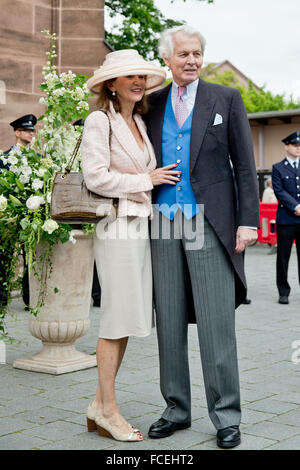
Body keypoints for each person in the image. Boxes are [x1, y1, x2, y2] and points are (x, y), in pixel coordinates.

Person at [145, 25, 259, 449]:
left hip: (209, 223)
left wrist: (248, 221)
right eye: (183, 54)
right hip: (162, 220)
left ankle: (227, 415)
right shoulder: (151, 103)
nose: (191, 60)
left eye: (197, 53)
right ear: (168, 60)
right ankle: (176, 407)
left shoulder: (225, 99)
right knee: (169, 320)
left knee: (216, 323)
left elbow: (245, 166)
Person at [81, 50, 179, 442]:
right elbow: (95, 177)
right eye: (129, 77)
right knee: (115, 320)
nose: (138, 82)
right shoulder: (98, 120)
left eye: (141, 76)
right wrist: (146, 180)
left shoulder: (139, 120)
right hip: (115, 229)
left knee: (126, 320)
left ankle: (97, 404)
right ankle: (108, 410)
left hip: (140, 229)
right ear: (111, 84)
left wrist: (148, 180)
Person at [0, 114, 37, 309]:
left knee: (30, 257)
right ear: (17, 132)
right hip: (8, 215)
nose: (31, 133)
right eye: (27, 130)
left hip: (29, 214)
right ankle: (1, 298)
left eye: (33, 131)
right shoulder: (4, 158)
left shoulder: (38, 158)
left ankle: (29, 299)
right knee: (4, 256)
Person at [73, 118, 102, 308]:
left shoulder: (97, 150)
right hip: (75, 208)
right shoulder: (72, 151)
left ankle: (98, 294)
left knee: (97, 254)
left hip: (95, 207)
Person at [272, 131, 300, 304]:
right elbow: (279, 190)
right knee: (283, 257)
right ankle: (283, 291)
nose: (298, 148)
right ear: (286, 146)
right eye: (295, 145)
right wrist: (296, 206)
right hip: (286, 219)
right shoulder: (278, 167)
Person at [262, 178, 277, 254]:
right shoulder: (267, 191)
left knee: (274, 231)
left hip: (274, 215)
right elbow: (265, 203)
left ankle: (275, 246)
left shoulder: (273, 190)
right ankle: (273, 246)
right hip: (270, 215)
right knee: (272, 231)